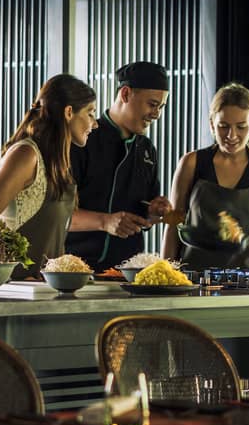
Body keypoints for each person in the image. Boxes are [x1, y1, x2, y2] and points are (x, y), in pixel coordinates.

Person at [161, 82, 249, 272]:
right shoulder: (191, 163)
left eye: (241, 127)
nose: (231, 135)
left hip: (246, 281)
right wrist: (164, 276)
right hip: (192, 278)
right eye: (223, 126)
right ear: (212, 124)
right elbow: (173, 225)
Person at [0, 74, 98, 279]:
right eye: (90, 113)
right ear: (69, 112)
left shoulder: (57, 162)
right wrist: (10, 274)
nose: (95, 124)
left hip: (47, 289)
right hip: (13, 290)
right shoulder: (26, 154)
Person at [65, 61, 172, 272]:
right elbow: (57, 215)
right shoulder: (82, 139)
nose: (157, 114)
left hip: (128, 272)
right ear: (125, 94)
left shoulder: (147, 149)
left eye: (161, 107)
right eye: (152, 104)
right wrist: (104, 221)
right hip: (76, 269)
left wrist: (153, 212)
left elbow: (146, 212)